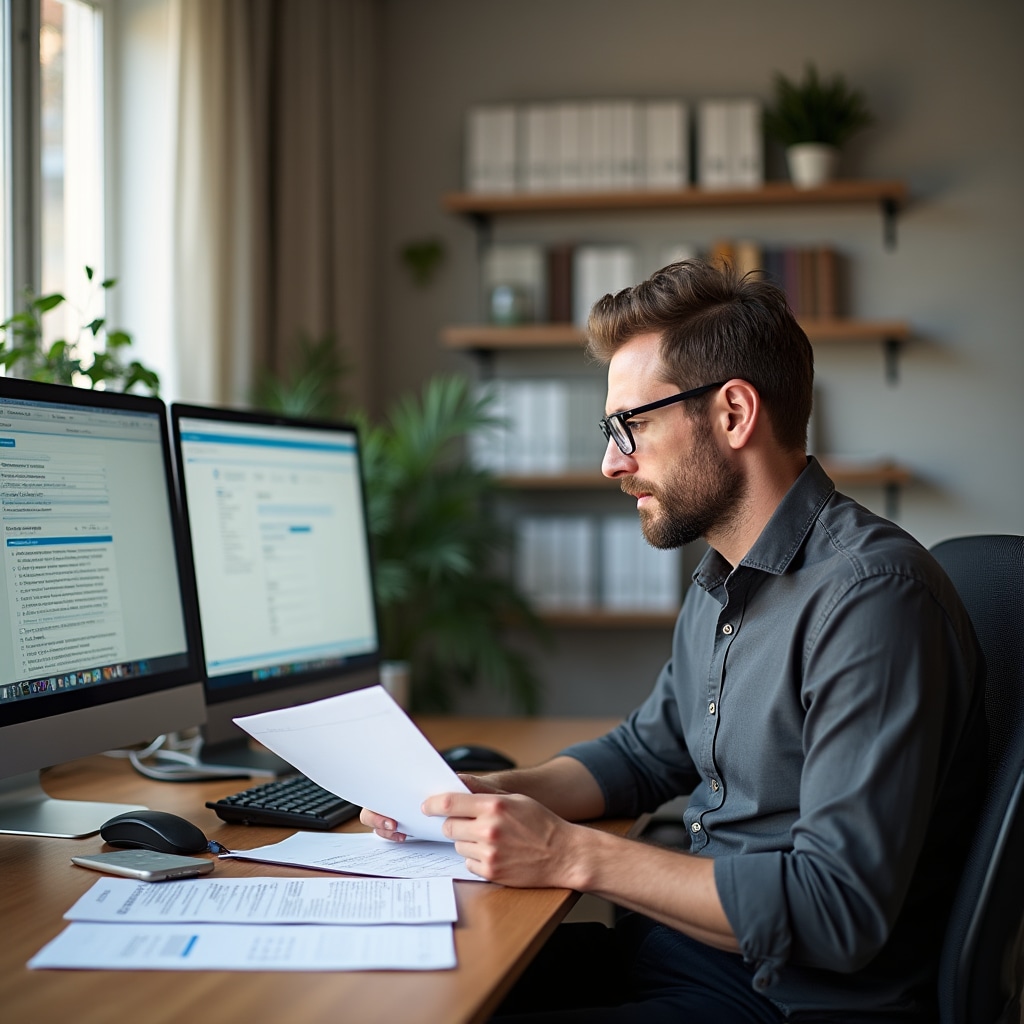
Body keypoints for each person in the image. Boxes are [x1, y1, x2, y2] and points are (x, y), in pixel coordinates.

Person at [361, 259, 987, 1022]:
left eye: (634, 426)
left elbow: (836, 909)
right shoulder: (724, 577)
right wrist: (483, 797)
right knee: (400, 993)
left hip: (789, 999)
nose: (611, 462)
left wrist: (570, 853)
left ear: (732, 414)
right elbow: (644, 755)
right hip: (688, 958)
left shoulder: (872, 599)